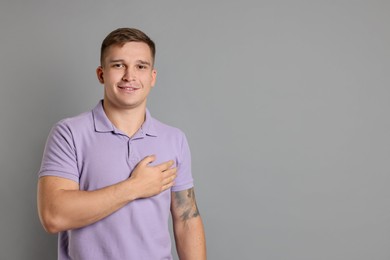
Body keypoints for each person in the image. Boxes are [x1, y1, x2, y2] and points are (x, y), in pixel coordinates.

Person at [37, 27, 206, 260]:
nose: (130, 76)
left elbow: (187, 219)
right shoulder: (69, 133)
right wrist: (134, 187)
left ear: (152, 77)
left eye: (141, 66)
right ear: (101, 74)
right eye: (118, 65)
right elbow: (53, 216)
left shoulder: (174, 139)